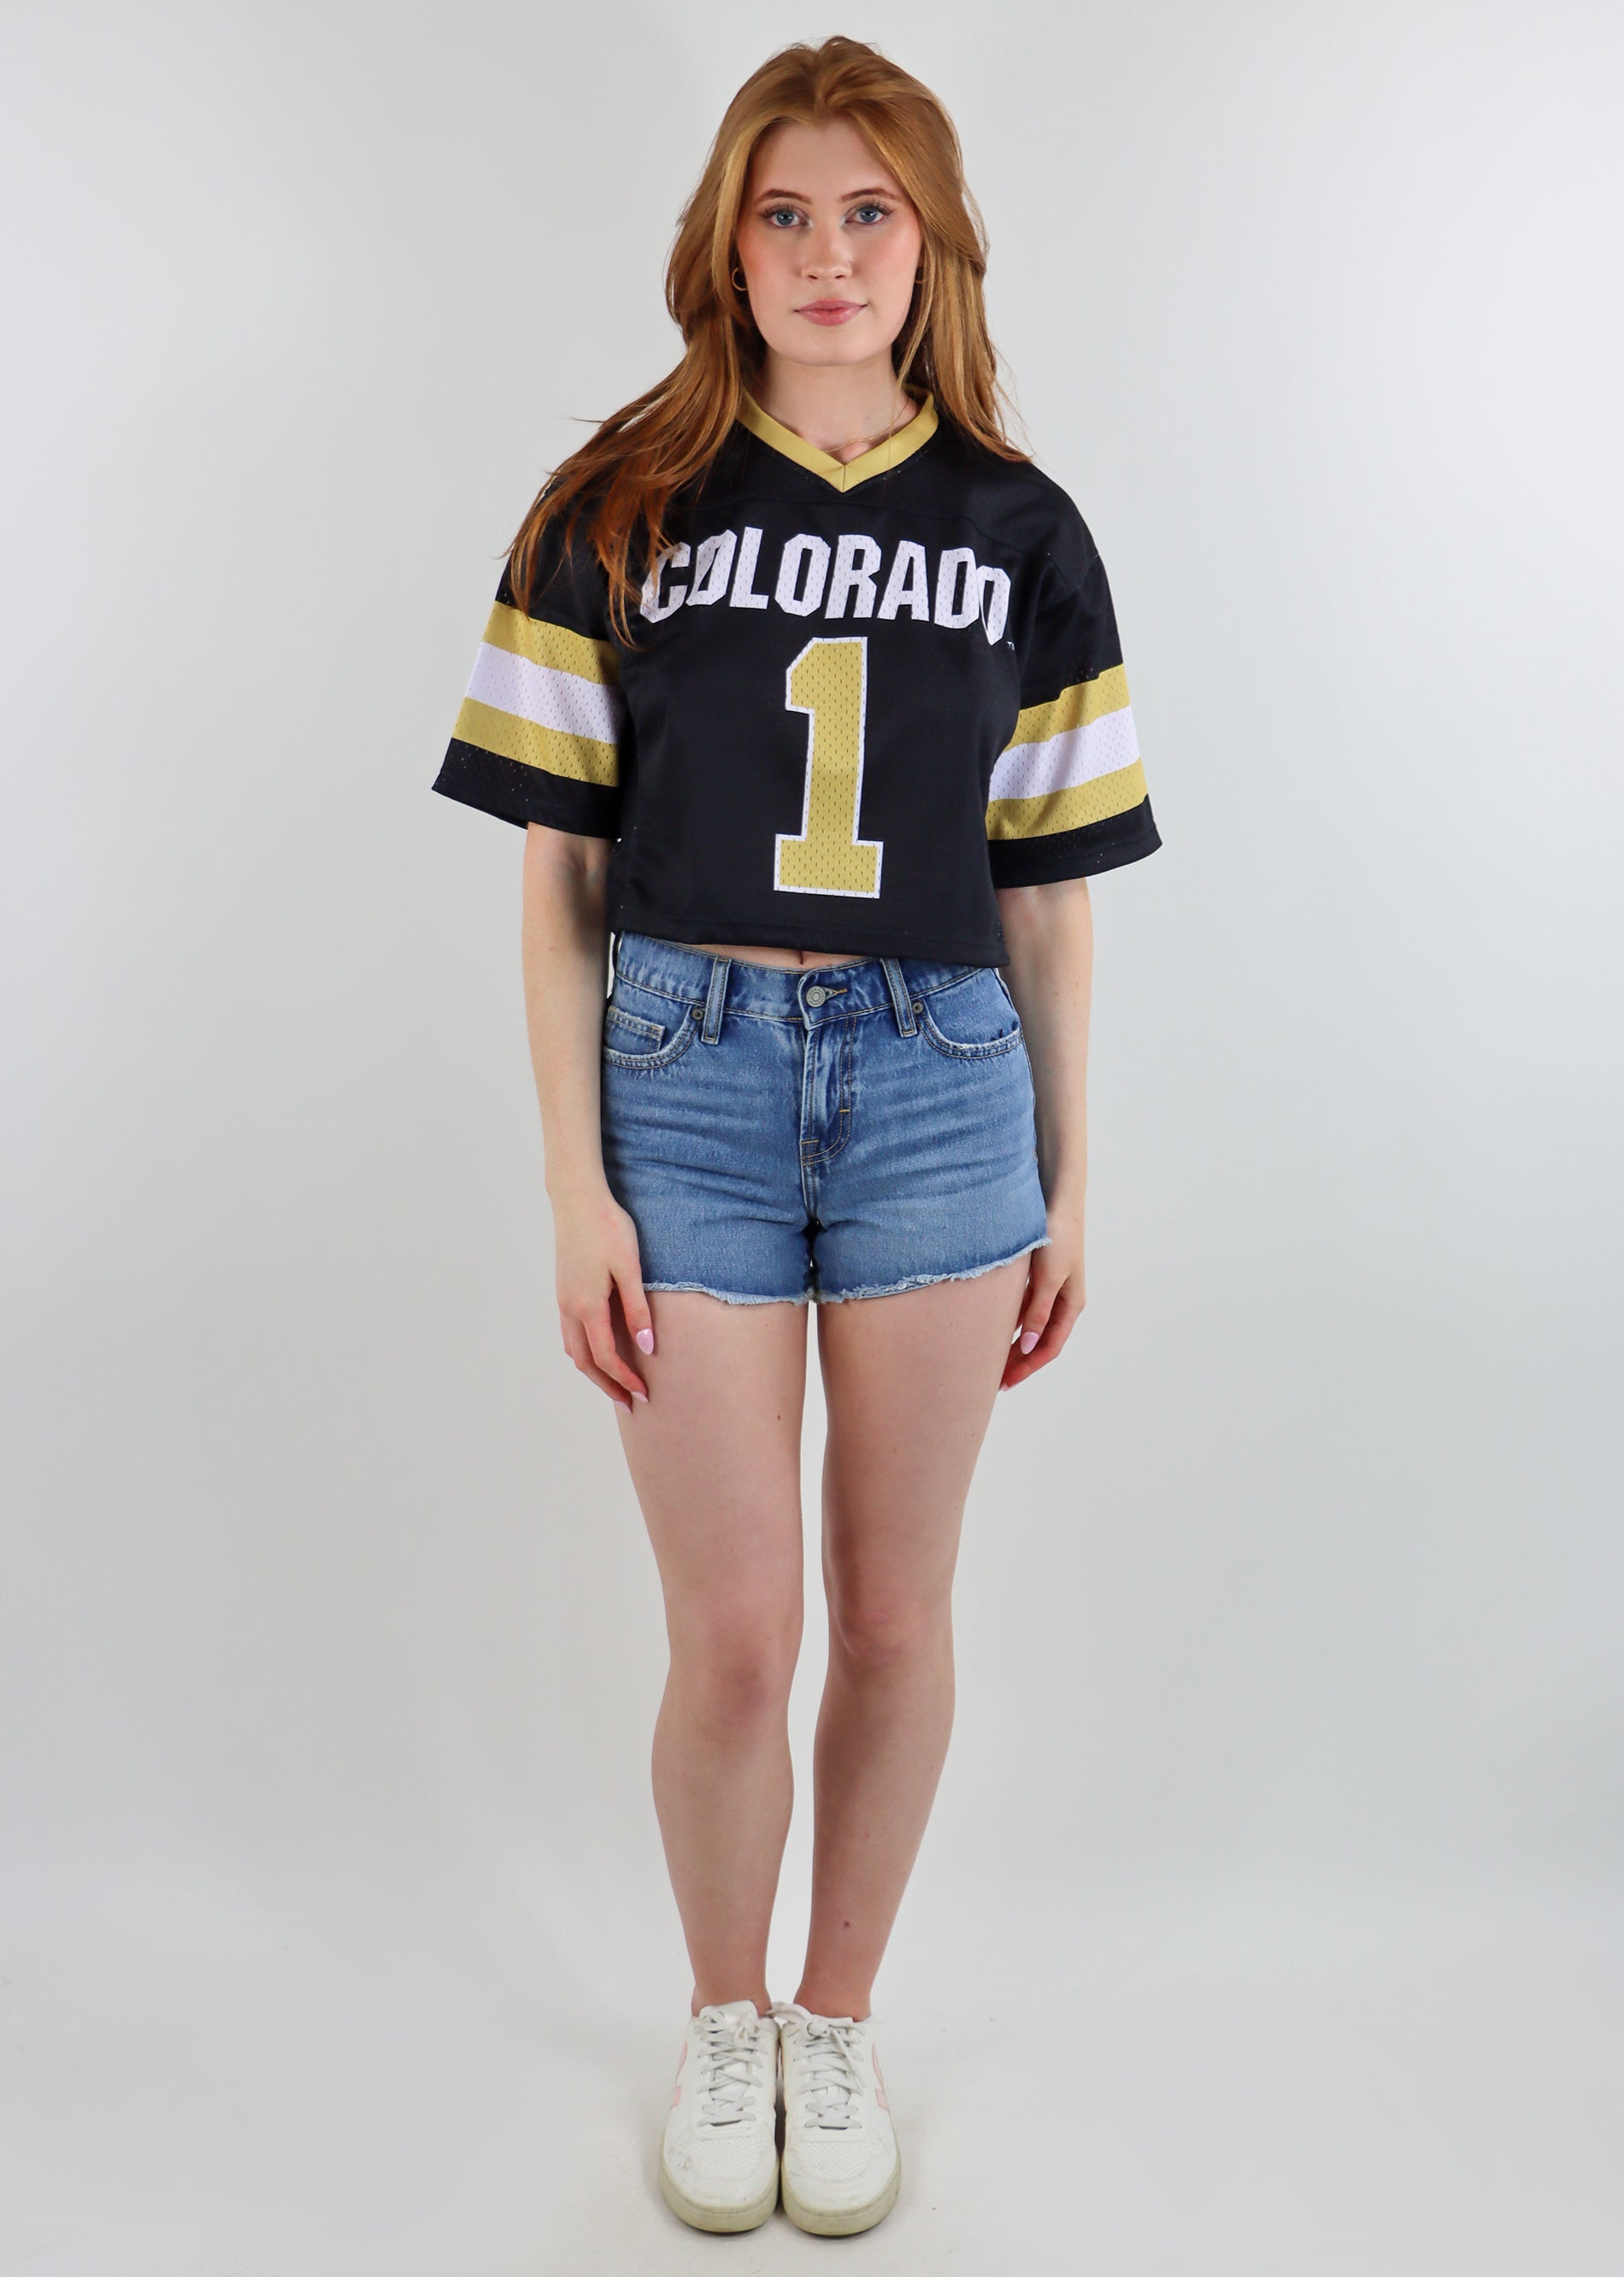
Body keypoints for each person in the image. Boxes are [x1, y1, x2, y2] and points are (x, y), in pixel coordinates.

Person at [433, 34, 1159, 2239]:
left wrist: (1071, 1173)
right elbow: (558, 875)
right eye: (785, 213)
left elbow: (1048, 888)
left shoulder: (1024, 529)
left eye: (868, 212)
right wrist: (574, 1182)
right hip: (689, 1076)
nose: (828, 255)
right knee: (739, 1631)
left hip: (942, 1080)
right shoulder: (617, 507)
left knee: (899, 1613)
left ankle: (837, 2022)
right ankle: (725, 2014)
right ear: (724, 246)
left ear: (929, 245)